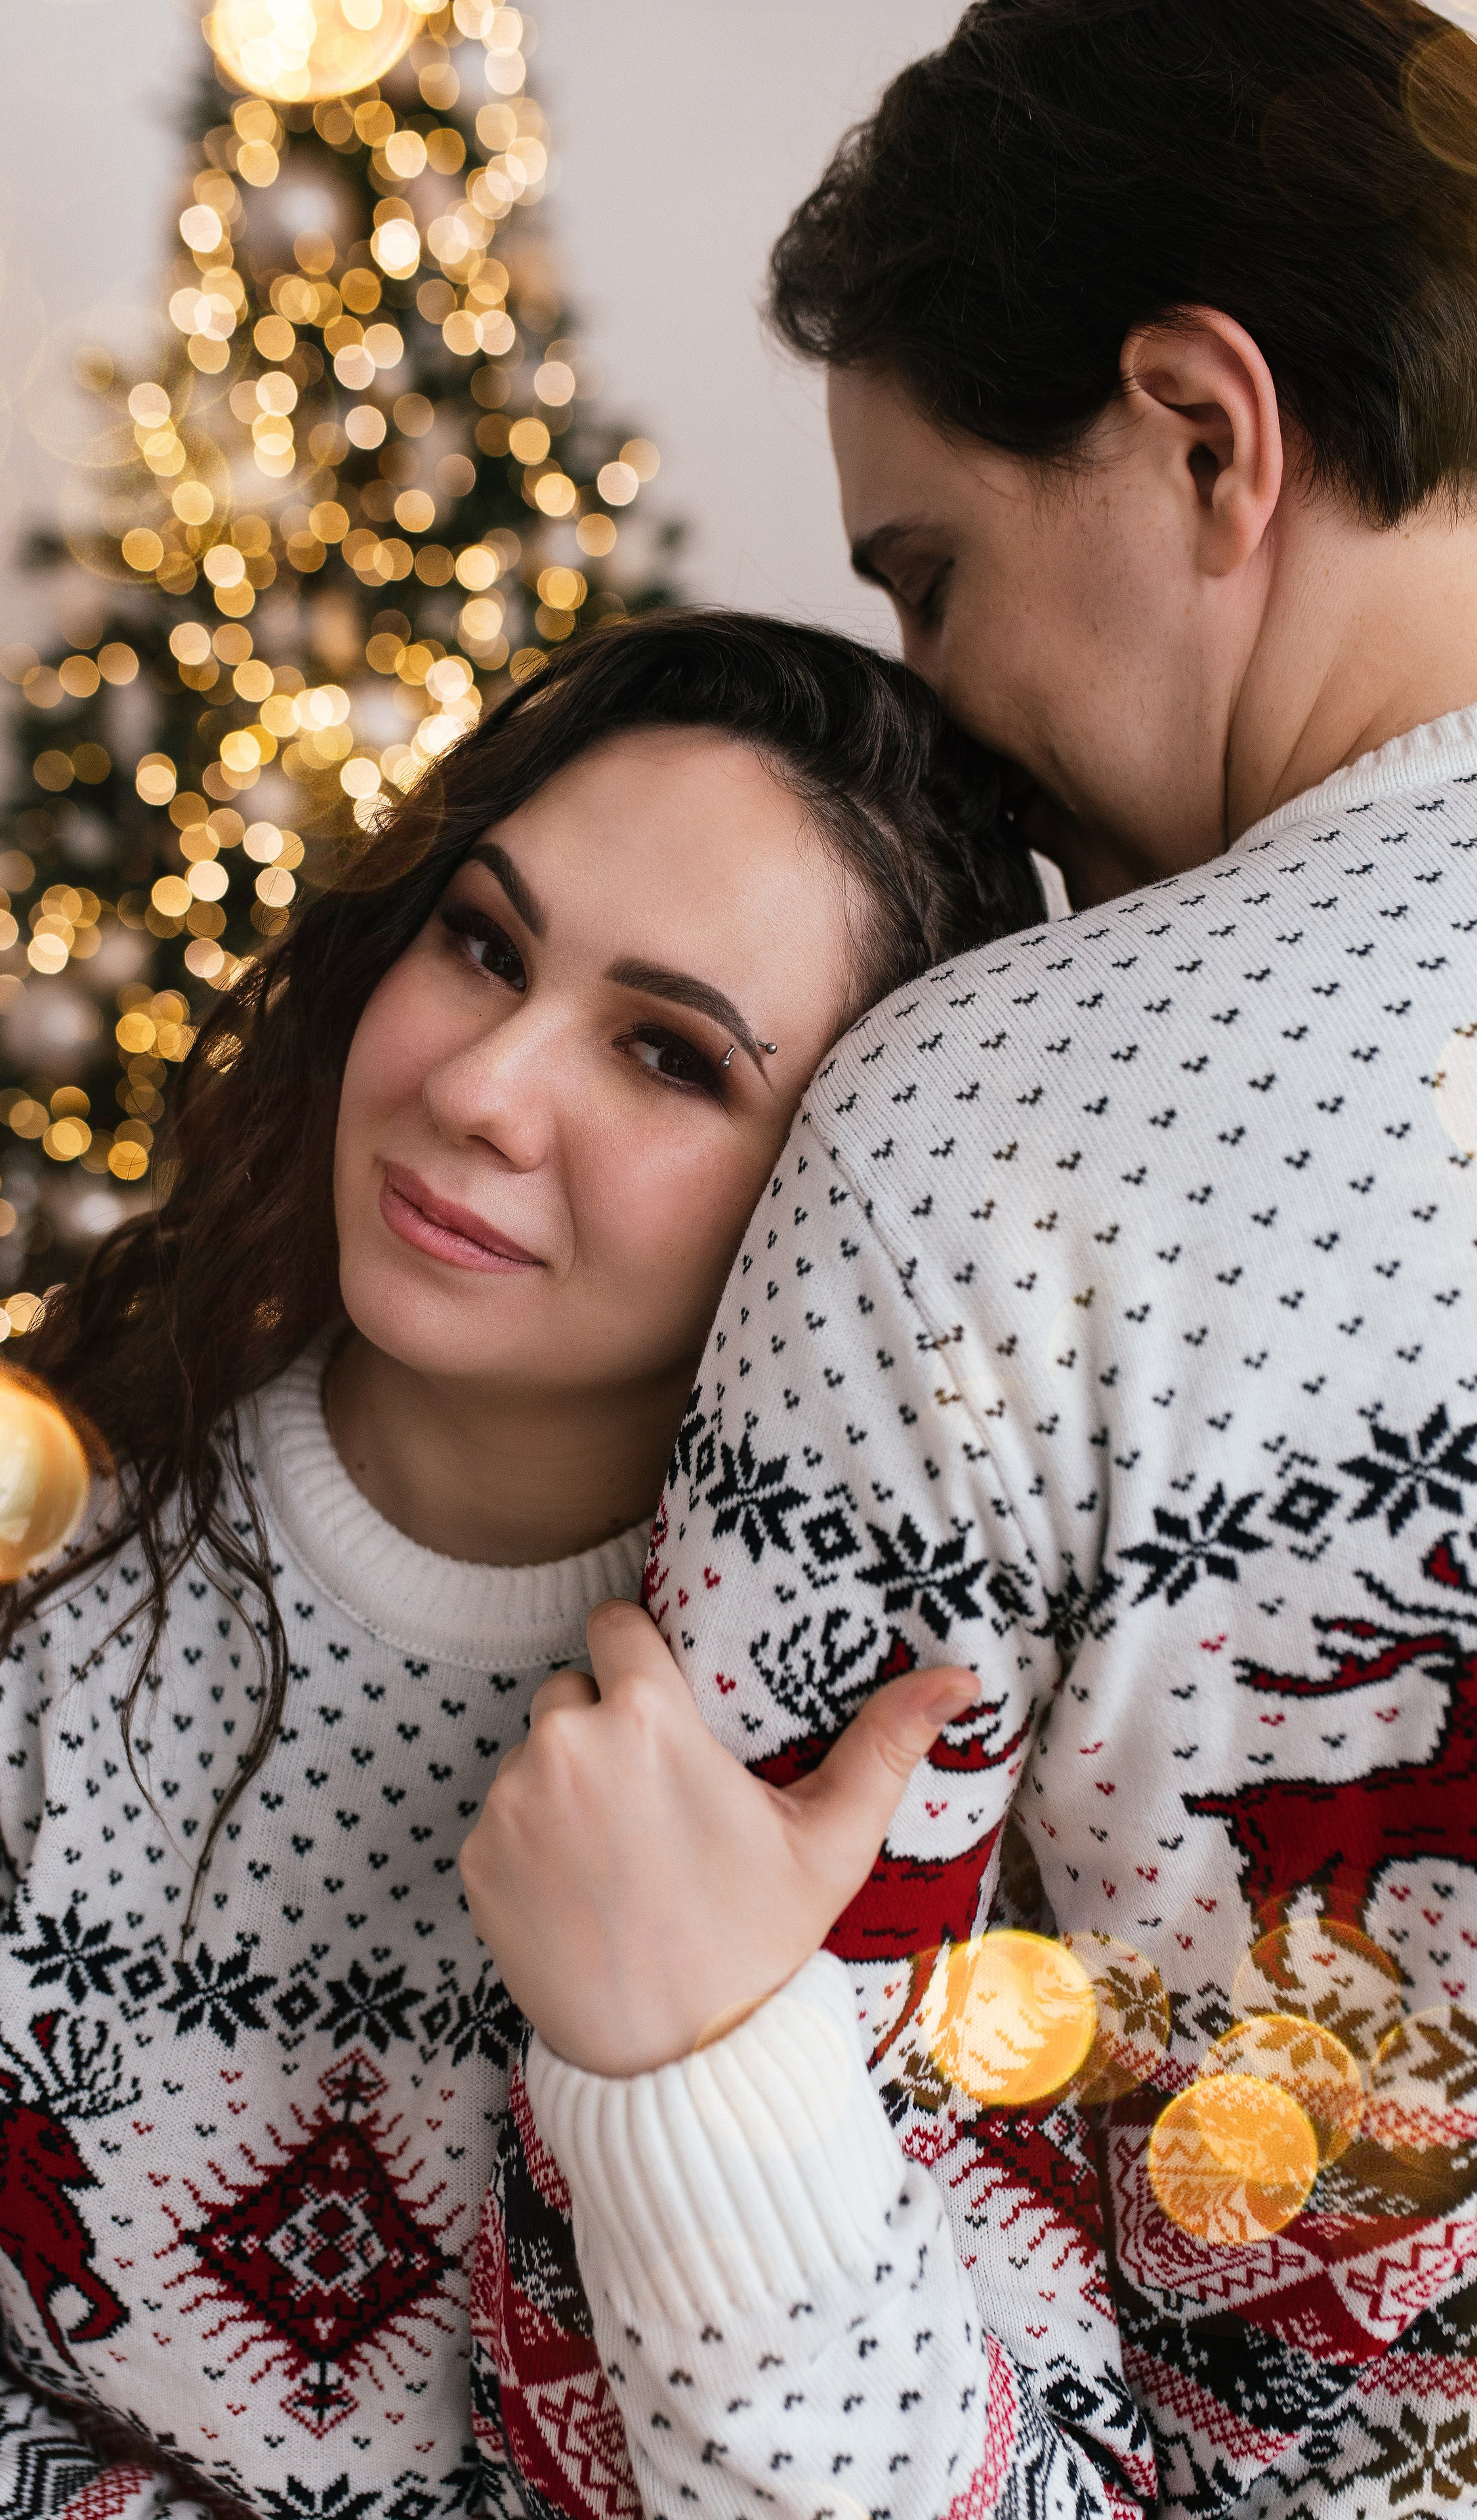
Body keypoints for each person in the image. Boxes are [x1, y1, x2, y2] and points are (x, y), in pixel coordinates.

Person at [460, 5, 1477, 2517]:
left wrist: (676, 2069)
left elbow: (680, 2414)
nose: (949, 714)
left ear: (1201, 428)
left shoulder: (1010, 1120)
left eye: (935, 575)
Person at [0, 611, 1045, 2519]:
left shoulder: (907, 1750)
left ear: (844, 1185)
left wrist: (705, 2060)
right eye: (483, 941)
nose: (482, 1086)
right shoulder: (16, 1544)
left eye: (666, 1052)